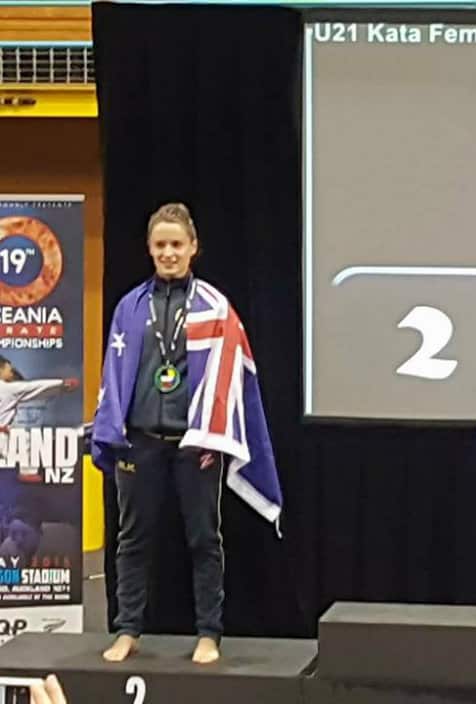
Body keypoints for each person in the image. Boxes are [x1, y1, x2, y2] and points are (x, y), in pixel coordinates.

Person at [91, 203, 282, 664]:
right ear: (149, 249)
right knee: (132, 539)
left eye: (177, 244)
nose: (169, 253)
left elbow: (233, 380)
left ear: (193, 248)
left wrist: (211, 436)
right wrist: (113, 432)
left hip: (195, 444)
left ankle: (209, 633)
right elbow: (113, 377)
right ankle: (128, 629)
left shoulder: (215, 308)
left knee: (203, 538)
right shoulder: (130, 309)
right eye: (161, 245)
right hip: (140, 440)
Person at [0, 357, 79, 482]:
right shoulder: (7, 389)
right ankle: (27, 472)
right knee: (25, 441)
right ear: (1, 369)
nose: (12, 372)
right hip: (2, 436)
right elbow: (34, 388)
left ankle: (27, 473)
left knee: (23, 440)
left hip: (5, 434)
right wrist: (61, 384)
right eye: (9, 369)